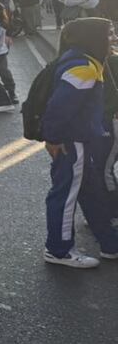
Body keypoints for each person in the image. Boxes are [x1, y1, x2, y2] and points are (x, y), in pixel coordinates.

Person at [41, 18, 114, 268]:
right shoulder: (84, 67)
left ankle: (109, 242)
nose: (113, 39)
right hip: (73, 142)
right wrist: (53, 138)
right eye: (109, 34)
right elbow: (59, 107)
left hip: (79, 140)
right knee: (65, 195)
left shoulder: (84, 60)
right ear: (94, 38)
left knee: (89, 191)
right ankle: (58, 250)